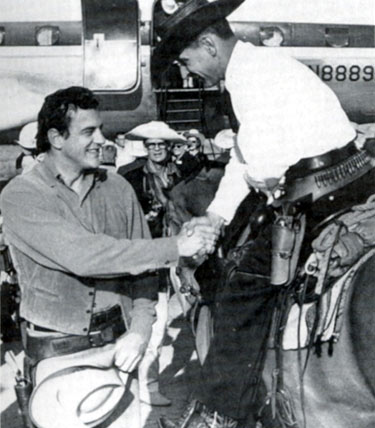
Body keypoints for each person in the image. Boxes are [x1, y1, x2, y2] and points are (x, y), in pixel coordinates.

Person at [152, 1, 375, 427]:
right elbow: (243, 154)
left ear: (208, 44)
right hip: (356, 179)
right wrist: (216, 215)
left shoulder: (250, 79)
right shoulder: (259, 67)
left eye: (188, 60)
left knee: (242, 291)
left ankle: (219, 415)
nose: (189, 71)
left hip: (321, 195)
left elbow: (265, 166)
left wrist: (257, 181)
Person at [0, 86, 218, 428]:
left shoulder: (117, 189)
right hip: (56, 358)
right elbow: (83, 256)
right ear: (56, 138)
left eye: (101, 129)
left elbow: (144, 272)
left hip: (121, 350)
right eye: (89, 131)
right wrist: (175, 246)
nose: (102, 139)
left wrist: (141, 330)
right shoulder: (21, 196)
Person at [118, 121, 185, 407]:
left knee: (162, 318)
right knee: (148, 323)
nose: (156, 149)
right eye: (151, 145)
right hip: (144, 254)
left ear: (169, 147)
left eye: (161, 144)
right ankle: (144, 386)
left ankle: (144, 385)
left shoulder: (181, 174)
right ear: (145, 148)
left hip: (177, 253)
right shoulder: (130, 176)